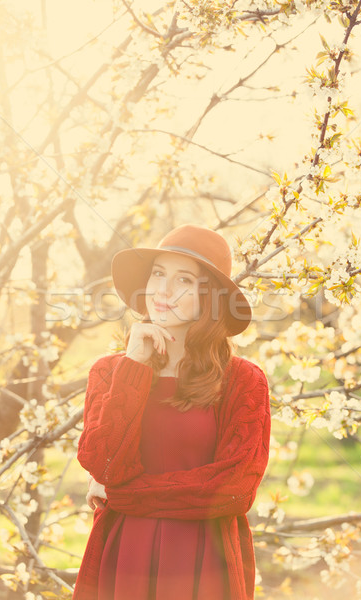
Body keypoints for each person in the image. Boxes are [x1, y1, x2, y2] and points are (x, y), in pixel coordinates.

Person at [73, 223, 271, 600]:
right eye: (158, 274)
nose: (163, 289)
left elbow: (233, 489)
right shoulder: (109, 371)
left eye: (184, 280)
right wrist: (133, 364)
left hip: (203, 561)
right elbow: (106, 465)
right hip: (124, 556)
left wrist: (125, 496)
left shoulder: (243, 381)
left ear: (208, 297)